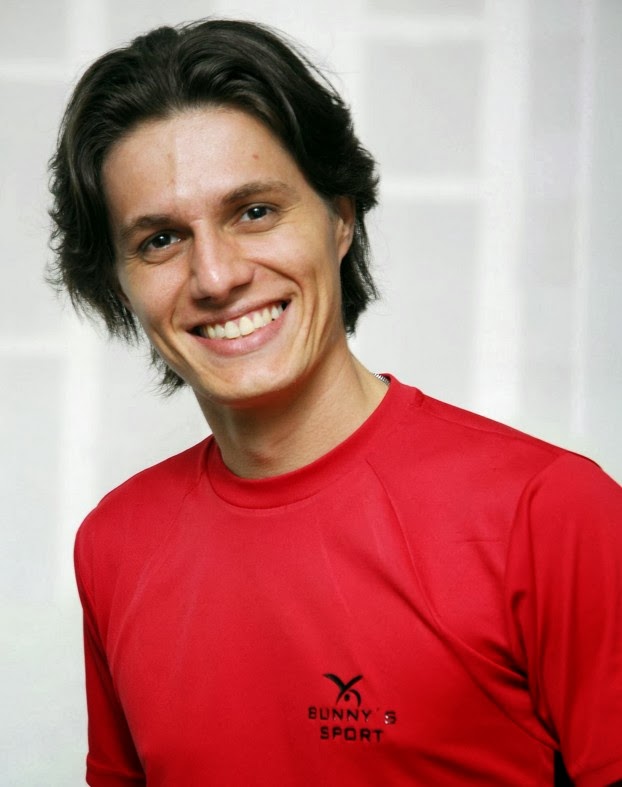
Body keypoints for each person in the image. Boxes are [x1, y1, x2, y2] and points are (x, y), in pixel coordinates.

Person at [48, 18, 622, 787]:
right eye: (160, 239)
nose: (216, 276)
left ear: (340, 218)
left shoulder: (551, 515)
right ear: (116, 281)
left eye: (254, 211)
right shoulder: (114, 545)